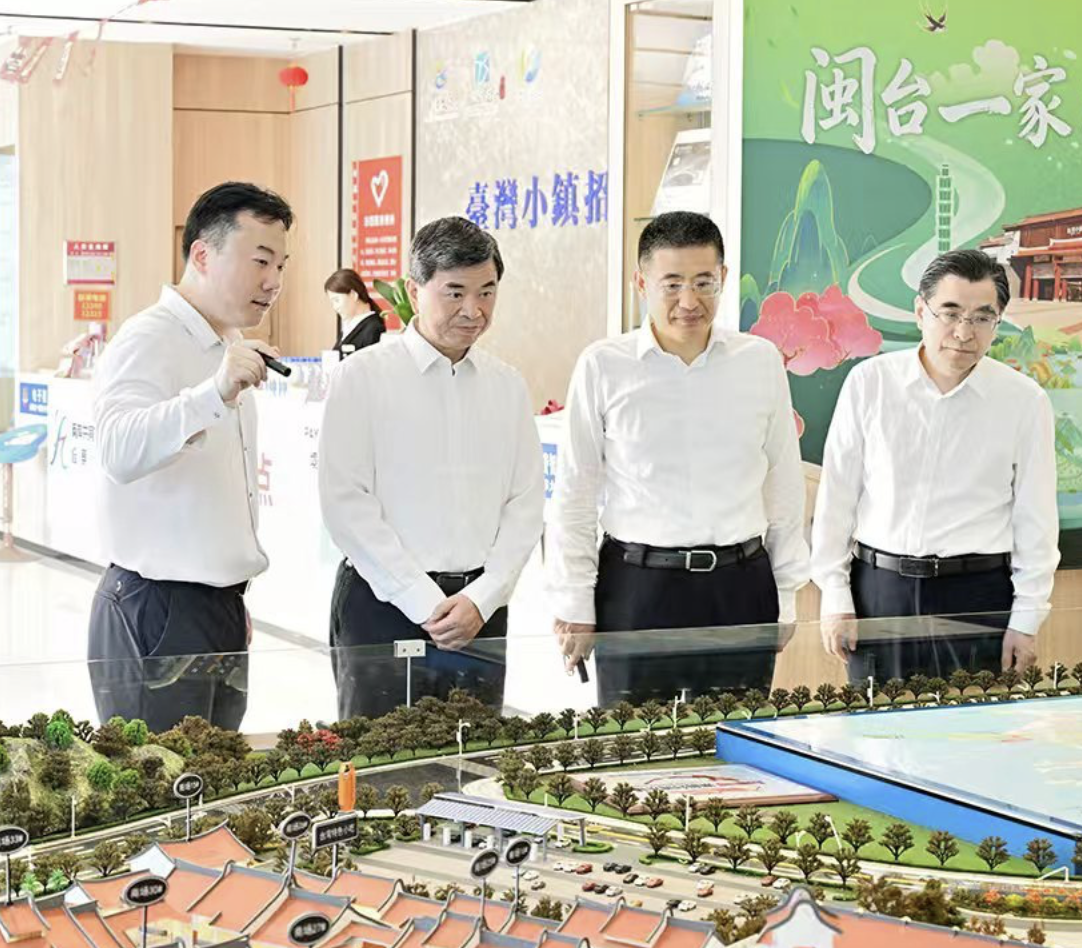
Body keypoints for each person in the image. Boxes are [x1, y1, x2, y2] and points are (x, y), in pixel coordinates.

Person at [547, 211, 808, 707]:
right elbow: (575, 492)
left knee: (736, 739)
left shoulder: (759, 361)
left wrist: (787, 592)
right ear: (641, 283)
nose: (689, 301)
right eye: (672, 284)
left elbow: (783, 482)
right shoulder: (604, 365)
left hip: (741, 586)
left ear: (723, 278)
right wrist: (575, 602)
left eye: (704, 282)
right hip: (637, 587)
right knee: (634, 742)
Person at [87, 182, 293, 732]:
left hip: (215, 608)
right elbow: (117, 449)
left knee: (212, 774)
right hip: (158, 609)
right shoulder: (149, 337)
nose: (273, 281)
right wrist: (213, 393)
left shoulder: (226, 344)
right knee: (162, 777)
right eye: (260, 261)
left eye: (281, 265)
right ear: (202, 254)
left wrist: (227, 598)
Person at [319, 216, 544, 719]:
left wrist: (483, 598)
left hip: (480, 612)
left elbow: (526, 504)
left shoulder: (507, 386)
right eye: (455, 293)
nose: (474, 310)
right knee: (379, 759)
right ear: (413, 290)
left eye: (487, 292)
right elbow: (345, 503)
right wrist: (423, 601)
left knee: (474, 756)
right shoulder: (362, 377)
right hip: (382, 606)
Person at [813, 248, 1059, 682]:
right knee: (875, 723)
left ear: (998, 321)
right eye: (950, 313)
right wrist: (835, 595)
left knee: (976, 723)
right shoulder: (871, 383)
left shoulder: (1023, 401)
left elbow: (1035, 519)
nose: (963, 332)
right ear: (920, 312)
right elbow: (837, 498)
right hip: (879, 591)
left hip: (977, 595)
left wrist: (1026, 618)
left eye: (982, 317)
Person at [325, 268, 385, 355]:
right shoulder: (350, 326)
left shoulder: (373, 328)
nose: (335, 307)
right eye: (332, 302)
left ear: (353, 295)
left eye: (337, 300)